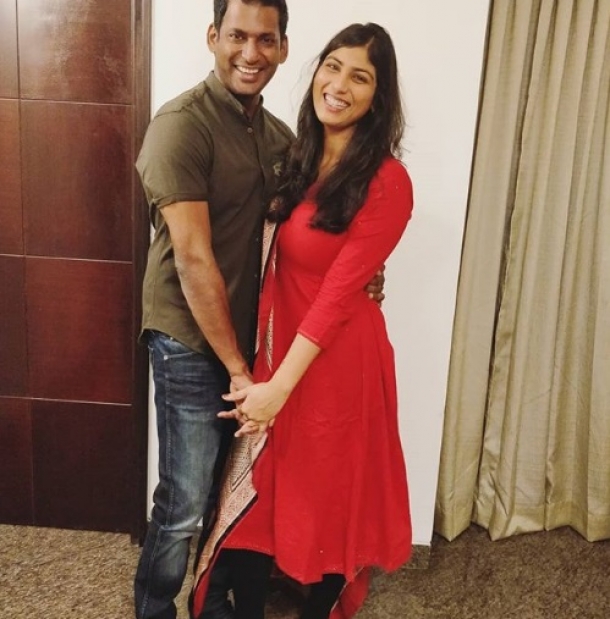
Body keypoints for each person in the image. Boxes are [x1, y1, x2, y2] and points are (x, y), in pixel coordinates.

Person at [134, 2, 384, 618]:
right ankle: (155, 607)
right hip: (193, 343)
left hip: (258, 346)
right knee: (186, 499)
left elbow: (315, 228)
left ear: (283, 48)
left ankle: (211, 601)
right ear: (213, 37)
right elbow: (193, 260)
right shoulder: (180, 126)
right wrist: (239, 371)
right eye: (238, 37)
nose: (251, 53)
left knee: (233, 494)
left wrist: (365, 271)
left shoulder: (279, 139)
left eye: (266, 40)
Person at [191, 21, 413, 619]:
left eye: (360, 77)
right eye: (332, 66)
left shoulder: (387, 182)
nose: (339, 85)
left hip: (336, 362)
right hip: (278, 349)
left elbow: (338, 294)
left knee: (328, 494)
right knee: (265, 488)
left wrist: (278, 389)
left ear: (378, 98)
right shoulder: (295, 157)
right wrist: (266, 378)